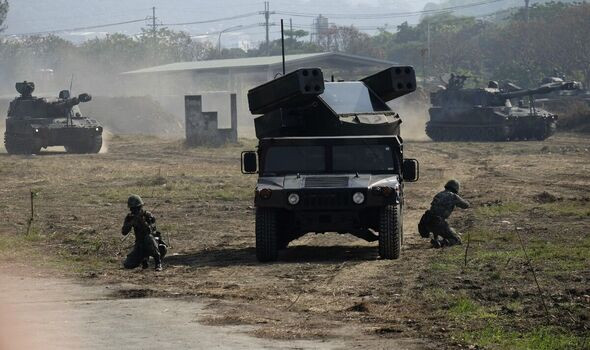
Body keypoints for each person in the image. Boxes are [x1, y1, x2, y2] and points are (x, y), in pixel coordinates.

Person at [418, 180, 470, 248]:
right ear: (456, 188)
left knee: (439, 225)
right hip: (438, 222)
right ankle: (440, 243)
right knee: (457, 240)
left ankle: (436, 239)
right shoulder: (453, 196)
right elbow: (466, 205)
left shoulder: (439, 194)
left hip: (427, 221)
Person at [121, 195, 163, 271]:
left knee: (148, 238)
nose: (135, 210)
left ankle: (158, 262)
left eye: (137, 208)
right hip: (139, 243)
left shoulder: (147, 215)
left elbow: (153, 231)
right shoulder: (130, 217)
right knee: (128, 264)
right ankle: (144, 260)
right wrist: (131, 223)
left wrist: (144, 222)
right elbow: (124, 232)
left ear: (141, 207)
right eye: (132, 209)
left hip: (152, 243)